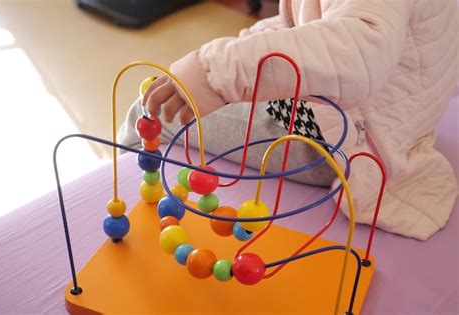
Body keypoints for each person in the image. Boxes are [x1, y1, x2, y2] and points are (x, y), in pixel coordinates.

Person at [119, 0, 458, 240]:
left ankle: (135, 218)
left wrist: (215, 73)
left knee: (148, 111)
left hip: (347, 141)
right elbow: (303, 24)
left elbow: (358, 48)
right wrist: (228, 53)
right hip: (395, 120)